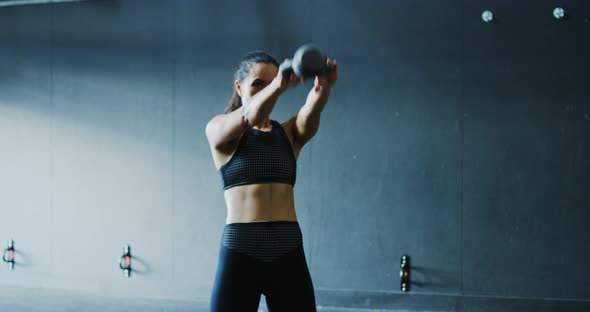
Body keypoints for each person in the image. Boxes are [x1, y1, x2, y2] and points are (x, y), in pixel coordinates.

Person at [206, 50, 338, 312]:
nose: (266, 90)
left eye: (271, 83)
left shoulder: (288, 134)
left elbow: (310, 113)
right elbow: (248, 117)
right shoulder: (218, 129)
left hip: (287, 249)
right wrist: (279, 84)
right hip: (241, 250)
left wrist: (324, 86)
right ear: (239, 86)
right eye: (257, 84)